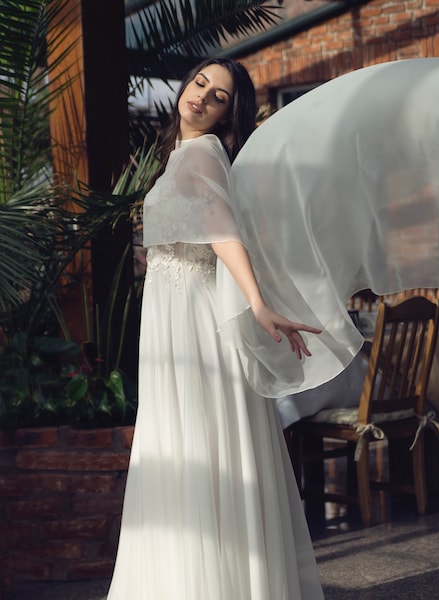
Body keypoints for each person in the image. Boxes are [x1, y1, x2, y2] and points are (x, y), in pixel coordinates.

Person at [107, 57, 325, 600]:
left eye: (220, 96)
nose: (202, 96)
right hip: (176, 318)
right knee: (192, 447)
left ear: (229, 115)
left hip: (191, 323)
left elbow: (224, 233)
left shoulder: (202, 154)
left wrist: (257, 302)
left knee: (194, 447)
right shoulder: (184, 155)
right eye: (200, 83)